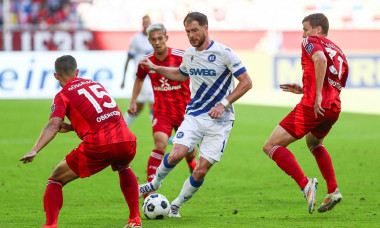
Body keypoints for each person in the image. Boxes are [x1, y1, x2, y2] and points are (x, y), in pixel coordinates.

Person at [138, 12, 252, 217]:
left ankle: (176, 205)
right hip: (195, 114)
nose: (191, 35)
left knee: (200, 170)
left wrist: (223, 104)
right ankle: (154, 183)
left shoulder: (224, 53)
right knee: (177, 153)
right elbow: (180, 75)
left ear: (206, 28)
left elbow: (246, 82)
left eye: (195, 30)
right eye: (188, 31)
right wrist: (155, 68)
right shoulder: (189, 54)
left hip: (221, 121)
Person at [19, 55, 142, 228]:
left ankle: (50, 225)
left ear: (56, 76)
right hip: (127, 140)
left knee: (55, 179)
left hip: (100, 145)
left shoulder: (62, 95)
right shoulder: (95, 84)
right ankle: (135, 219)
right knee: (124, 168)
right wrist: (73, 127)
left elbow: (53, 125)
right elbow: (100, 115)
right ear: (77, 72)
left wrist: (35, 149)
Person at [263, 13, 349, 214]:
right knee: (314, 143)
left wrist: (315, 95)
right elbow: (334, 83)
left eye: (305, 28)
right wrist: (306, 88)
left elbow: (319, 59)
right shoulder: (339, 52)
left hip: (314, 106)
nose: (303, 34)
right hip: (333, 108)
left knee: (270, 146)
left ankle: (305, 184)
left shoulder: (311, 41)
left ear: (317, 30)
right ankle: (333, 190)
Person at [127, 23, 197, 186]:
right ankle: (150, 187)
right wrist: (132, 101)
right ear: (149, 41)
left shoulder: (181, 56)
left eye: (160, 38)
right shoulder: (146, 61)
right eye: (153, 39)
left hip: (184, 112)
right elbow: (139, 78)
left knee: (189, 151)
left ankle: (192, 164)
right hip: (162, 111)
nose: (157, 42)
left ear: (166, 38)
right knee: (160, 144)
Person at [121, 15, 154, 126]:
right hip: (141, 76)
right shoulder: (136, 39)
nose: (146, 25)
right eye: (144, 23)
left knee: (139, 106)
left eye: (148, 23)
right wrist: (123, 79)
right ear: (142, 24)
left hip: (152, 76)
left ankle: (122, 127)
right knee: (154, 102)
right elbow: (128, 58)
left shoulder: (154, 38)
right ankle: (162, 133)